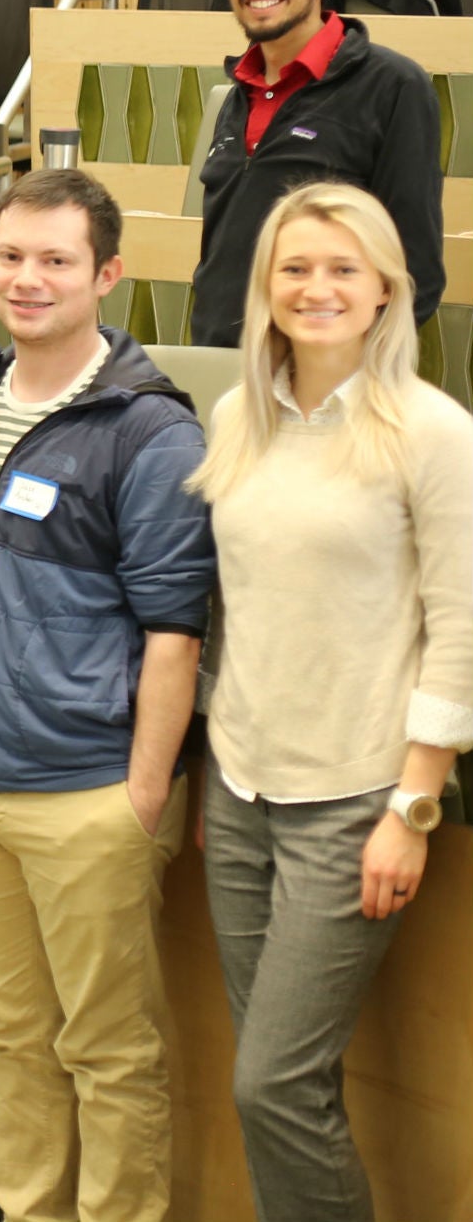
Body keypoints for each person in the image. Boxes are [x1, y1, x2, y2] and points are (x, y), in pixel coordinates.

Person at [0, 168, 215, 1222]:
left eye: (55, 260)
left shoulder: (151, 430)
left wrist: (138, 798)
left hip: (85, 794)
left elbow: (175, 635)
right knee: (5, 1028)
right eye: (11, 257)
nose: (26, 279)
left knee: (109, 1049)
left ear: (106, 274)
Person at [188, 183, 473, 1222]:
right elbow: (232, 612)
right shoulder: (236, 420)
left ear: (387, 291)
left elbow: (462, 629)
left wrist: (412, 808)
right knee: (277, 1091)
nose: (317, 288)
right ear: (263, 288)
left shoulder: (431, 433)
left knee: (270, 1083)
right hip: (241, 791)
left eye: (342, 268)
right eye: (295, 268)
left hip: (354, 804)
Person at [194, 0, 443, 348]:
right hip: (223, 379)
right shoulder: (237, 93)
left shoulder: (394, 87)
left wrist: (341, 379)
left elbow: (415, 275)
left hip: (329, 388)